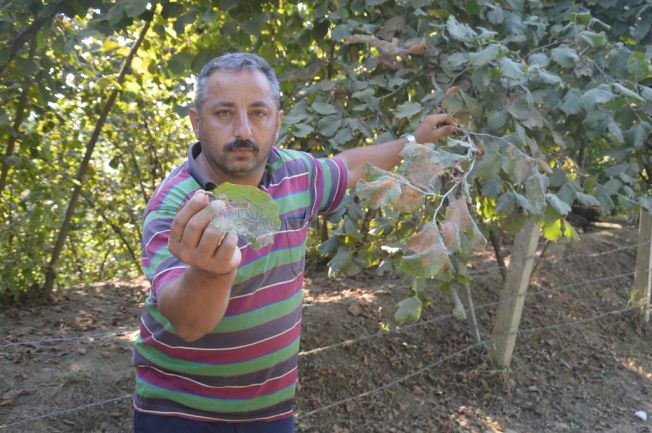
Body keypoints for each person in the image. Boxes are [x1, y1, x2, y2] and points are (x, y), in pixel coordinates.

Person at [133, 52, 455, 433]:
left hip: (272, 412)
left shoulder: (295, 173)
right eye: (223, 113)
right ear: (195, 121)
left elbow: (350, 166)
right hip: (180, 413)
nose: (243, 131)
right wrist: (212, 273)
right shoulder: (178, 204)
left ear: (277, 122)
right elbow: (186, 323)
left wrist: (414, 140)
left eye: (258, 113)